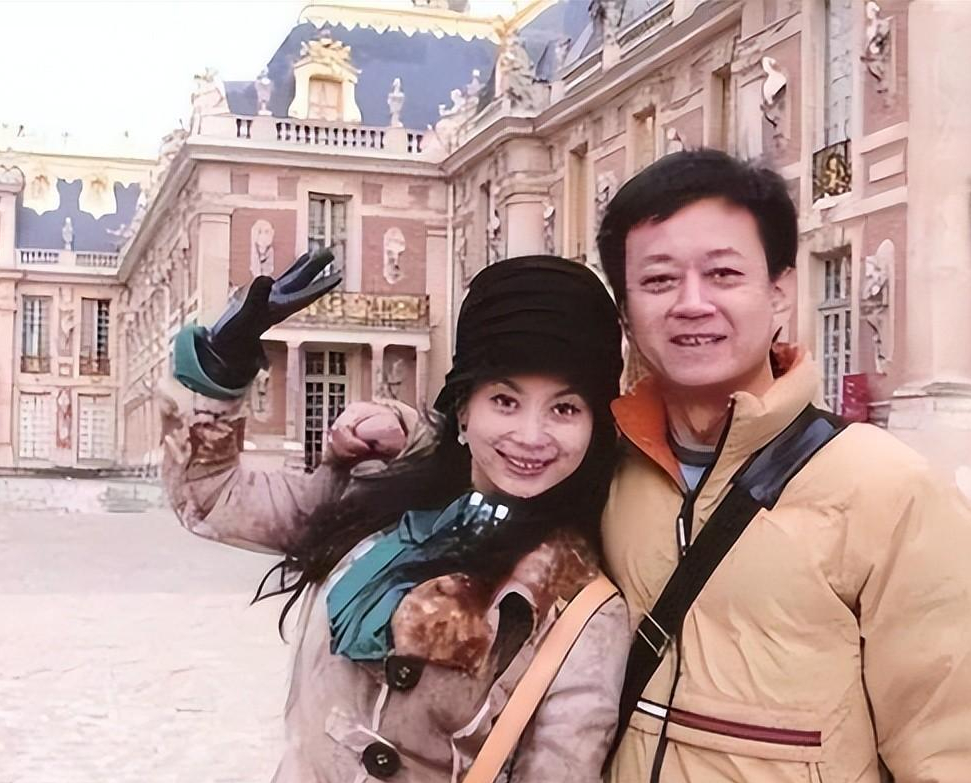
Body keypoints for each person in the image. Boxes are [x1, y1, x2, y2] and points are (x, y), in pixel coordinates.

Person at [338, 150, 971, 781]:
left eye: (723, 274)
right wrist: (408, 429)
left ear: (779, 291)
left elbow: (948, 750)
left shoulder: (890, 491)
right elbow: (500, 457)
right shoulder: (603, 467)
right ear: (626, 315)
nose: (692, 303)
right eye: (660, 280)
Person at [160, 252, 631, 782]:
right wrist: (220, 370)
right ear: (463, 411)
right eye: (505, 400)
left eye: (565, 409)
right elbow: (211, 499)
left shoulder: (583, 611)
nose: (530, 436)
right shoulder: (381, 496)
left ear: (594, 427)